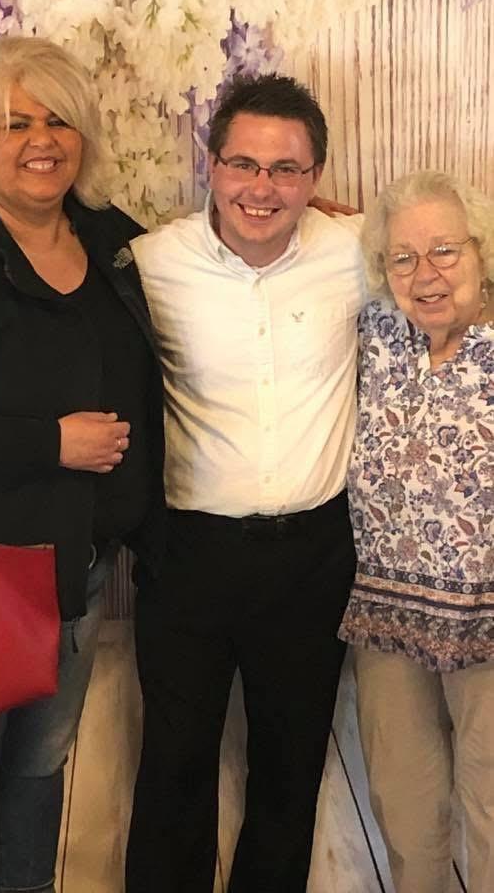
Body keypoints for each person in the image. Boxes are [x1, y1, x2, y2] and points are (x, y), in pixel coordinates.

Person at [125, 73, 366, 893]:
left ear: (316, 178)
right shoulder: (149, 265)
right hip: (189, 556)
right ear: (212, 167)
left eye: (286, 170)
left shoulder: (358, 251)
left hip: (314, 557)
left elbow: (456, 249)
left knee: (291, 766)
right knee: (173, 769)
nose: (262, 188)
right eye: (244, 165)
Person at [0, 36, 164, 893]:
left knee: (40, 777)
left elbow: (216, 253)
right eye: (15, 123)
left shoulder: (113, 243)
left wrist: (322, 219)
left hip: (76, 576)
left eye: (58, 120)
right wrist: (50, 443)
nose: (41, 140)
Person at [338, 171, 494, 893]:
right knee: (405, 810)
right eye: (403, 258)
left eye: (445, 251)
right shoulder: (379, 331)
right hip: (388, 617)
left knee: (491, 810)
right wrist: (301, 191)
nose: (426, 274)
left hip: (488, 625)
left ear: (482, 253)